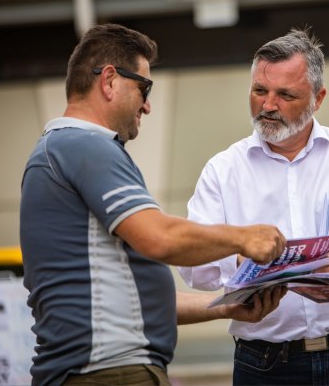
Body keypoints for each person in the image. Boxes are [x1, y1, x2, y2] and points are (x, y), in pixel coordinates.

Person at [19, 23, 288, 386]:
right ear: (110, 80)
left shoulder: (61, 149)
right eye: (144, 87)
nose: (147, 105)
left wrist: (226, 307)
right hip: (110, 372)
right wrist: (245, 238)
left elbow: (136, 298)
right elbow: (160, 239)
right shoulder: (84, 145)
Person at [178, 27, 329, 385]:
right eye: (259, 91)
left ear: (319, 97)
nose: (268, 105)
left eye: (285, 94)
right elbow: (194, 266)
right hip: (264, 364)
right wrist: (243, 258)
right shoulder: (222, 170)